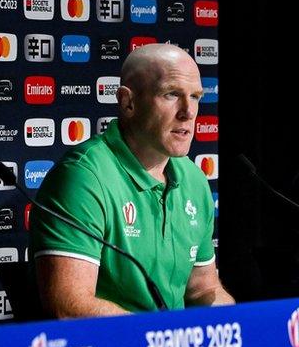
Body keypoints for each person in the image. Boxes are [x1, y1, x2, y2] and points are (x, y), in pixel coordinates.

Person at [30, 43, 233, 316]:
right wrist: (157, 338)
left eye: (195, 96)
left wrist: (229, 325)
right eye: (171, 94)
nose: (188, 111)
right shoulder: (83, 178)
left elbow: (202, 289)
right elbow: (71, 307)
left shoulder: (193, 178)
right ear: (128, 102)